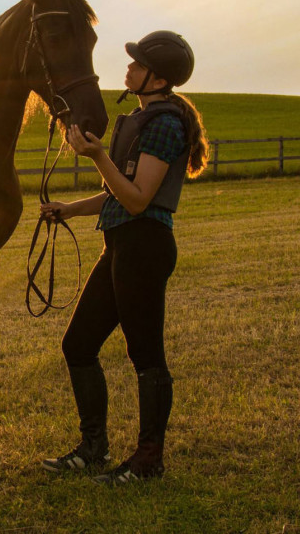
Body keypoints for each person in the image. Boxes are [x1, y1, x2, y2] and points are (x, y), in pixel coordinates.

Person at [38, 30, 209, 485]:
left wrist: (95, 156)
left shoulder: (166, 124)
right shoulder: (139, 118)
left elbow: (136, 200)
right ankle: (94, 449)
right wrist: (69, 209)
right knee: (78, 345)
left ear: (157, 77)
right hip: (120, 244)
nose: (128, 68)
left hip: (145, 246)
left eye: (136, 63)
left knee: (146, 356)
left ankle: (148, 460)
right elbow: (117, 190)